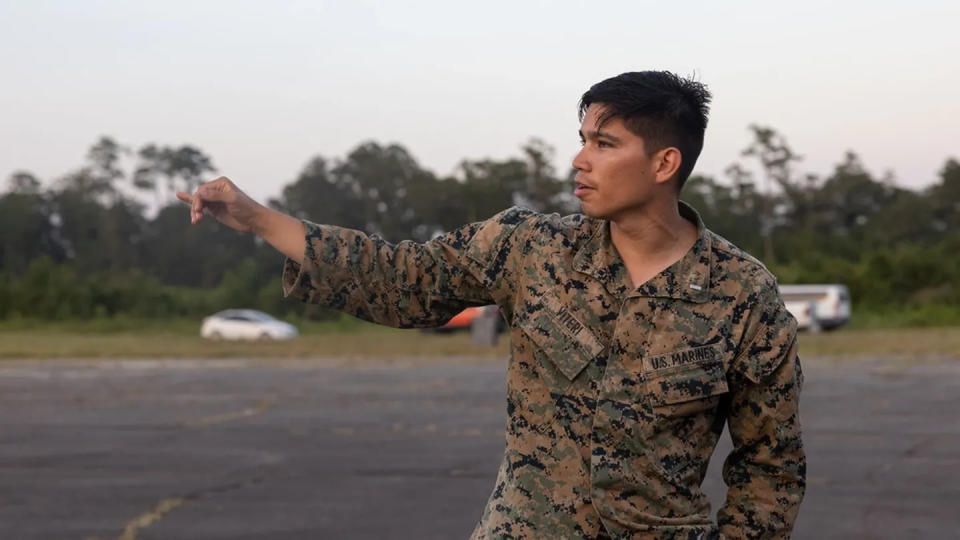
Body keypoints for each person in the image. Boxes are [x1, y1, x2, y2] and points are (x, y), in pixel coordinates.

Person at [178, 71, 805, 539]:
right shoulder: (531, 249)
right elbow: (402, 279)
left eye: (605, 144)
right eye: (582, 139)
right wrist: (260, 220)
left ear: (665, 162)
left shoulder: (741, 295)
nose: (579, 160)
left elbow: (770, 466)